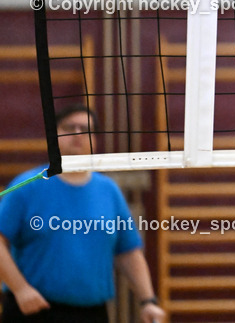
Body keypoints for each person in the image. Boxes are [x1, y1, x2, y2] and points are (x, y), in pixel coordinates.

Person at [0, 105, 166, 323]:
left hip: (92, 313)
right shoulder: (27, 186)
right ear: (54, 134)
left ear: (95, 139)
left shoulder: (108, 190)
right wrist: (20, 289)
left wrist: (148, 301)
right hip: (33, 310)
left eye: (86, 129)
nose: (78, 134)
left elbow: (128, 252)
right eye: (70, 127)